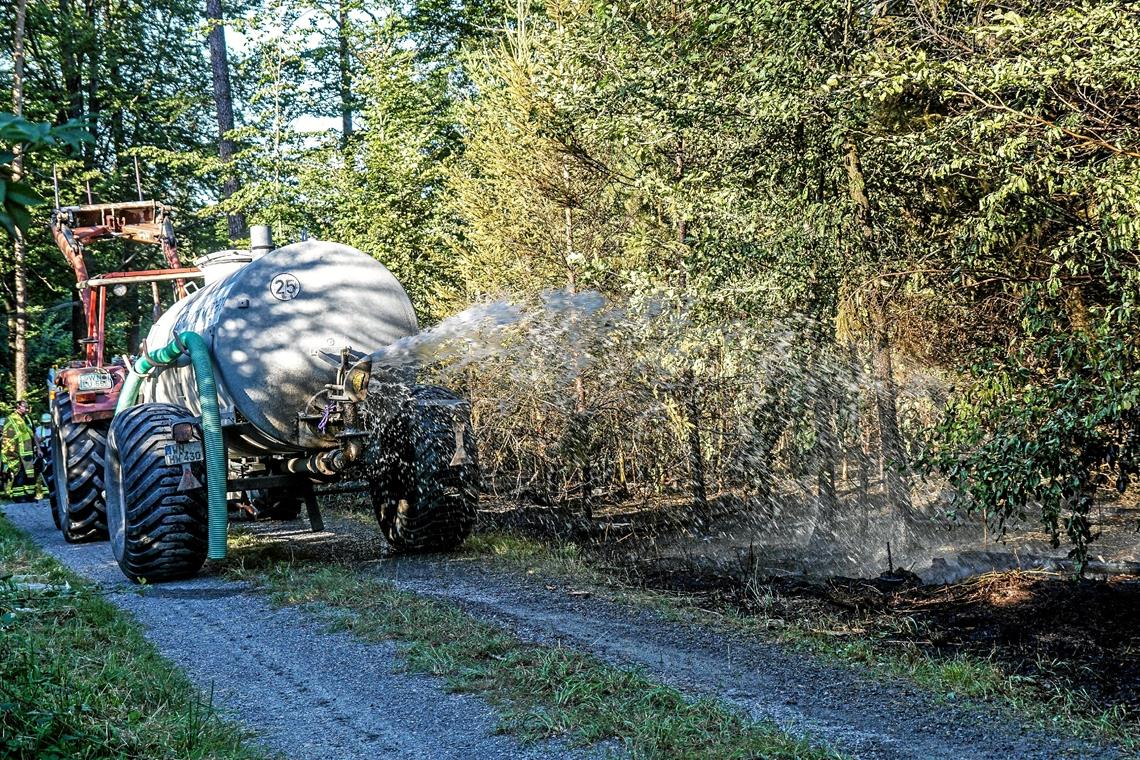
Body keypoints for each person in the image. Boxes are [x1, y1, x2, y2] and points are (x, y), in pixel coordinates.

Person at [2, 401, 37, 502]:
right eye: (25, 407)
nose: (27, 409)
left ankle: (30, 496)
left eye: (27, 407)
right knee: (19, 473)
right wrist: (11, 452)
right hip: (15, 451)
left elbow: (33, 434)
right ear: (18, 407)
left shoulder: (28, 419)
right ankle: (18, 497)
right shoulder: (11, 419)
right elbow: (8, 438)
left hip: (28, 451)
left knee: (30, 474)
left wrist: (38, 448)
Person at [34, 412, 52, 497]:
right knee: (44, 470)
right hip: (43, 450)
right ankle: (46, 491)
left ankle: (52, 489)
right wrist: (39, 449)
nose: (47, 424)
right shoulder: (39, 430)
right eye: (45, 423)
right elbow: (36, 441)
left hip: (52, 450)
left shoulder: (54, 428)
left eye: (48, 423)